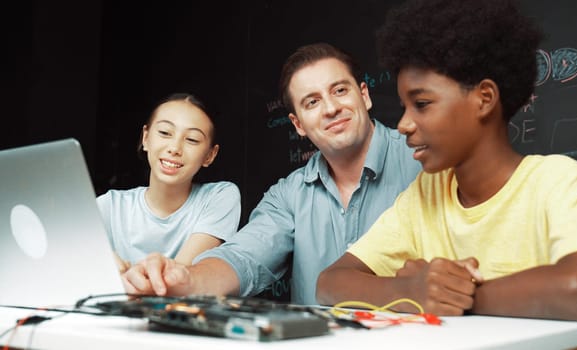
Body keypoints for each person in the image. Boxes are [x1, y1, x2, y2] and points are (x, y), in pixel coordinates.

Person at [316, 0, 577, 334]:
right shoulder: (425, 195)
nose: (403, 124)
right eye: (405, 106)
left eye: (421, 104)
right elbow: (330, 283)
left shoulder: (556, 181)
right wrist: (411, 291)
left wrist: (457, 295)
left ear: (484, 98)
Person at [120, 43, 423, 304]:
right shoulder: (288, 196)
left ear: (365, 96)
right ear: (298, 125)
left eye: (340, 90)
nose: (330, 108)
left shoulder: (423, 161)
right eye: (312, 102)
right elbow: (244, 258)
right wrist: (184, 279)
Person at [97, 93, 241, 274]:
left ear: (209, 155)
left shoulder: (220, 198)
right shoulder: (110, 206)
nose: (174, 148)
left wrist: (121, 275)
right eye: (165, 133)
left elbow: (178, 277)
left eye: (192, 140)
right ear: (146, 138)